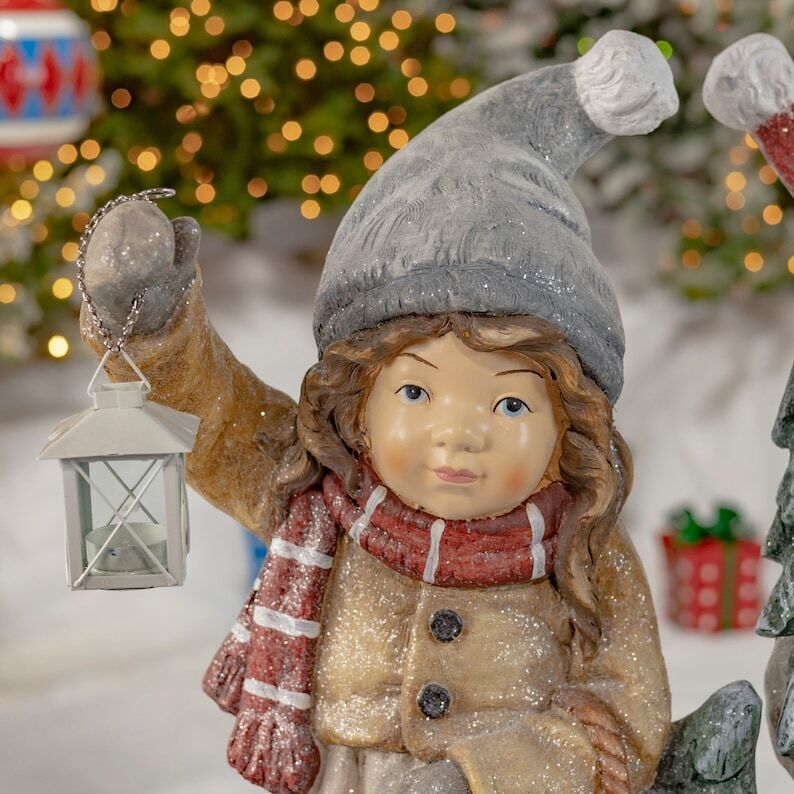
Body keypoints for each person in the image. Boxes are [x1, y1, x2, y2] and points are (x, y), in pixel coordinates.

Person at [81, 30, 679, 794]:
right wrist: (154, 331)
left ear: (569, 426)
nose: (459, 432)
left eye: (507, 401)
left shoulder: (581, 545)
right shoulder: (321, 493)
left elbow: (627, 716)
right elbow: (217, 417)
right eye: (416, 392)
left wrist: (485, 775)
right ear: (357, 405)